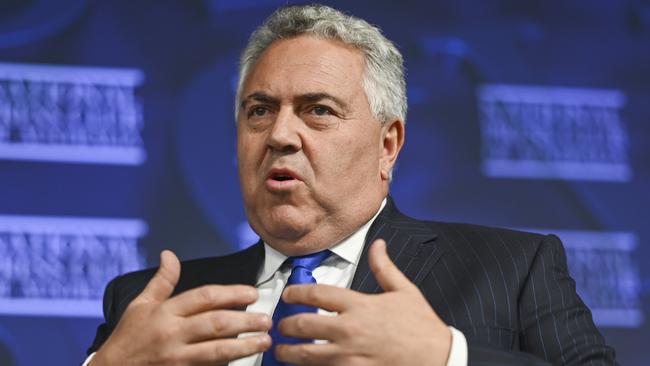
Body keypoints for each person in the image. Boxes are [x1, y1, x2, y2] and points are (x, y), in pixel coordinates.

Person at [84, 4, 617, 366]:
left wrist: (446, 356)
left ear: (388, 145)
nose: (279, 135)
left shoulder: (512, 270)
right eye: (259, 111)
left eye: (317, 110)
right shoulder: (151, 307)